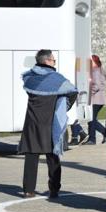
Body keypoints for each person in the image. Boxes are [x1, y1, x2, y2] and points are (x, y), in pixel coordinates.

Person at [18, 49, 78, 198]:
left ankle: (28, 190)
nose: (54, 62)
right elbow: (73, 90)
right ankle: (54, 189)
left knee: (31, 157)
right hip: (50, 122)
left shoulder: (29, 77)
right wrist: (64, 106)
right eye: (53, 60)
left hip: (32, 122)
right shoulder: (56, 79)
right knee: (53, 157)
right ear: (46, 61)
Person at [85, 54, 106, 144]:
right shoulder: (100, 70)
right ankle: (102, 134)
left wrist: (89, 93)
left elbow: (97, 85)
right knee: (92, 119)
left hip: (96, 99)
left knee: (91, 119)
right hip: (99, 99)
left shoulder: (95, 72)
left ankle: (92, 139)